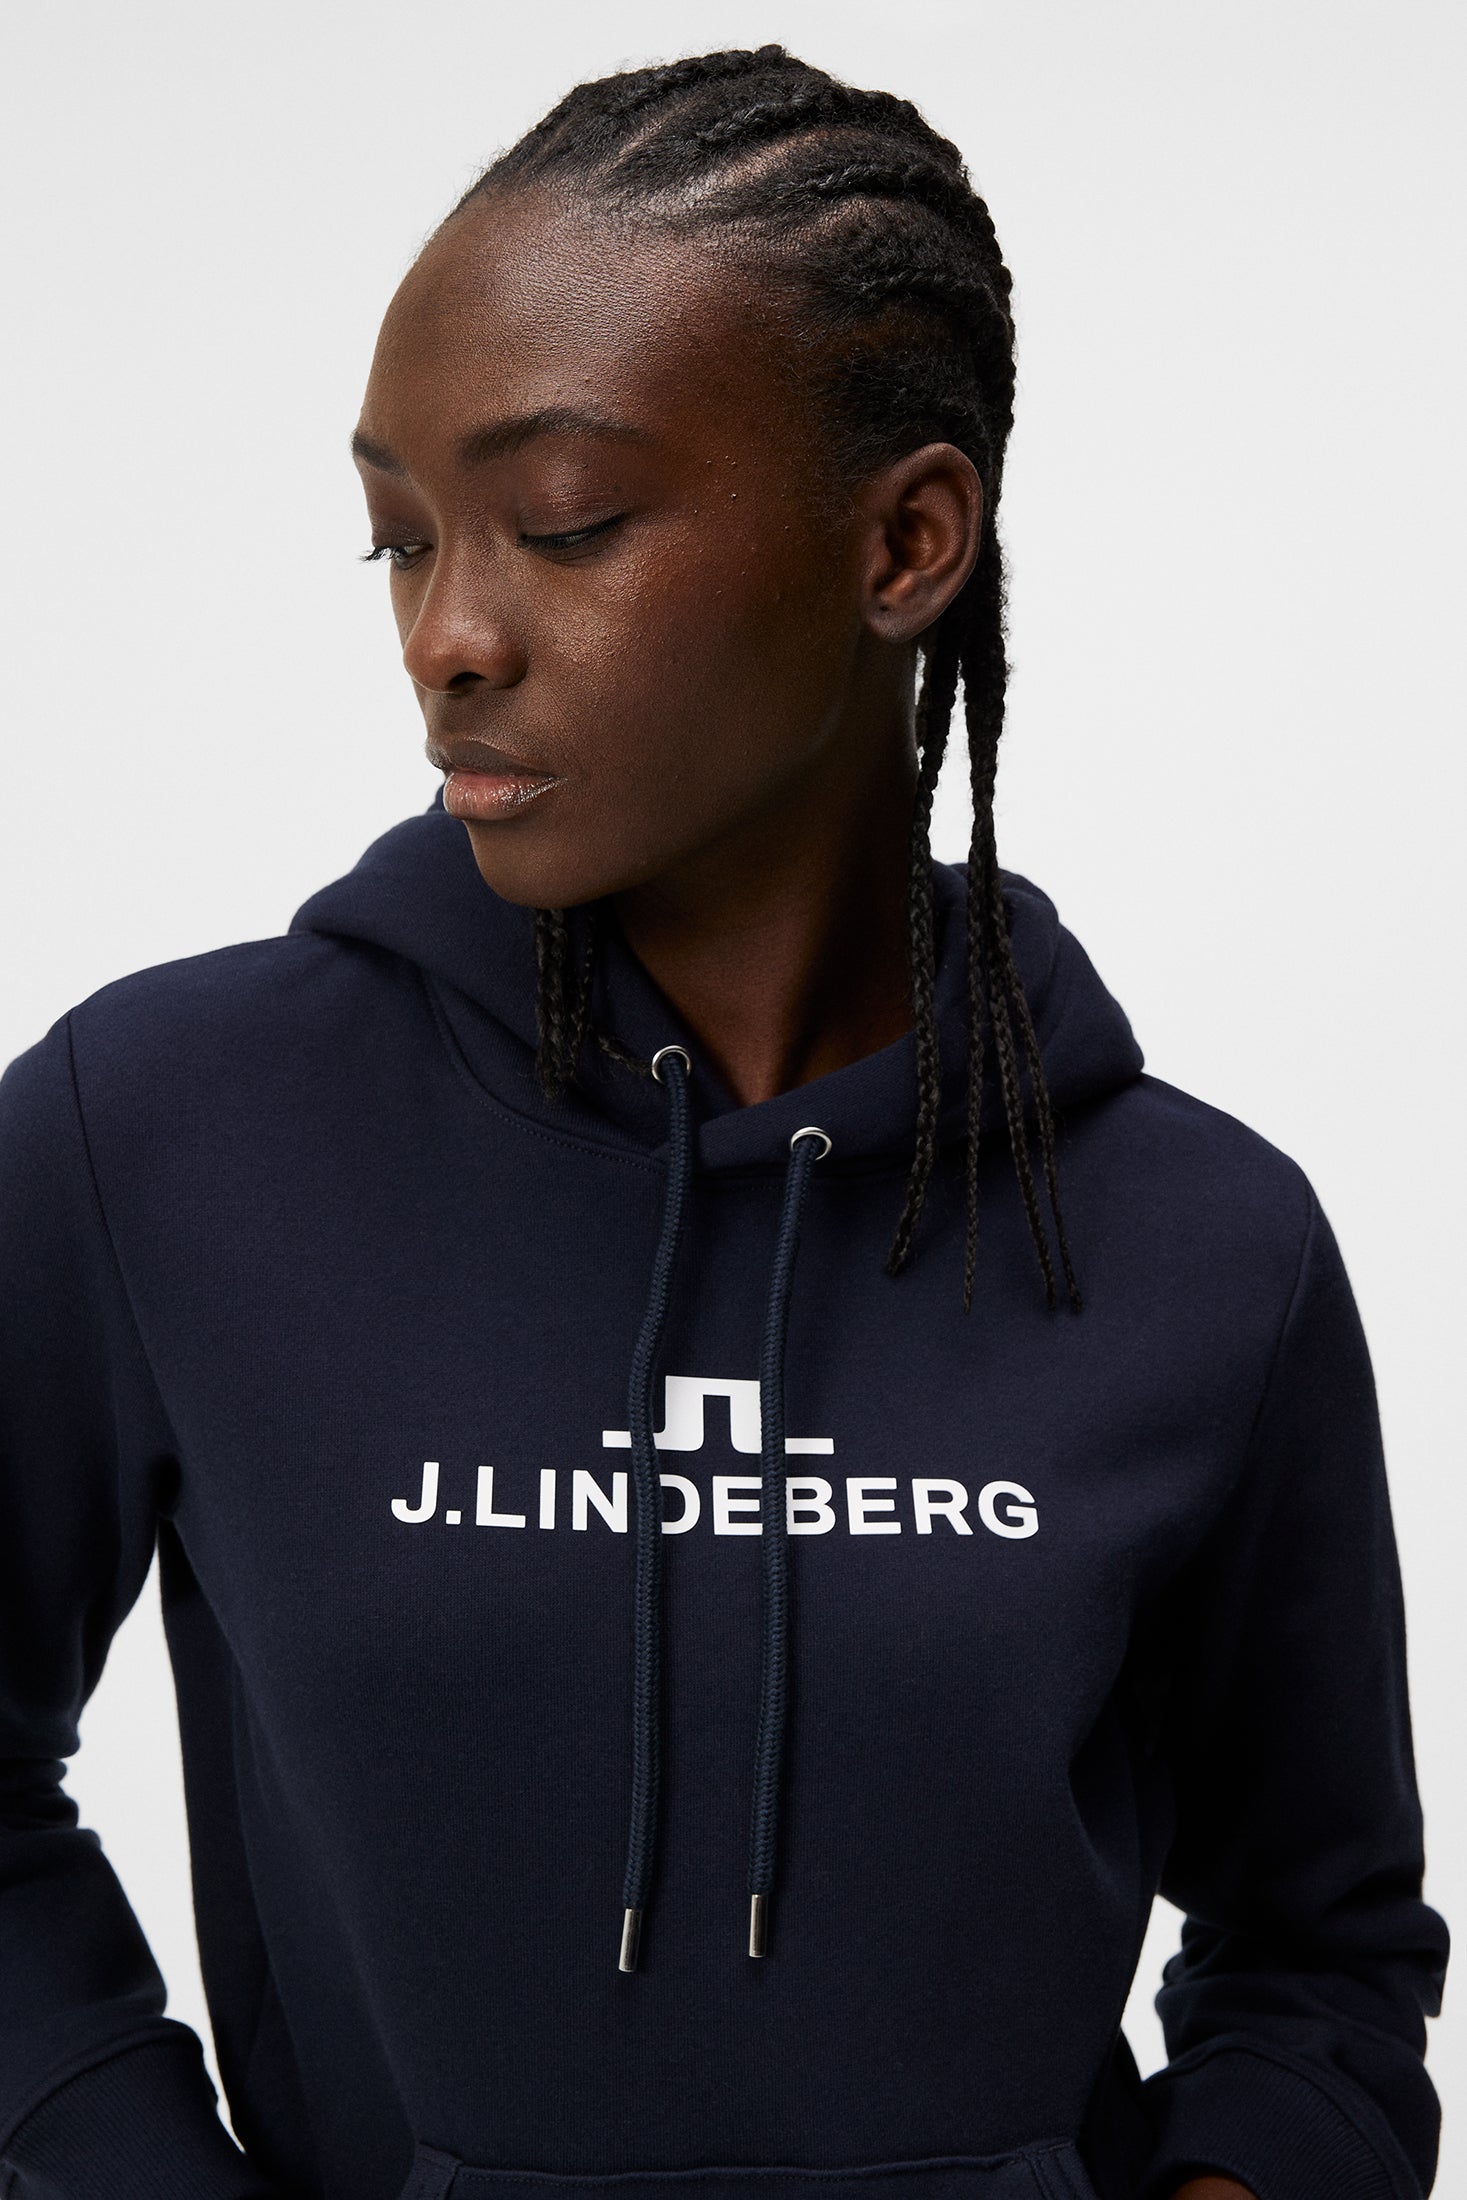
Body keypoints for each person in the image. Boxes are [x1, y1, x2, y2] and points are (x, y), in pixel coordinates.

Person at [0, 42, 1447, 2200]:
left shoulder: (1200, 1241)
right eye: (399, 538)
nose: (446, 635)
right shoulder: (158, 1137)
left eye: (564, 523)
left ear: (906, 540)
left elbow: (1321, 1963)